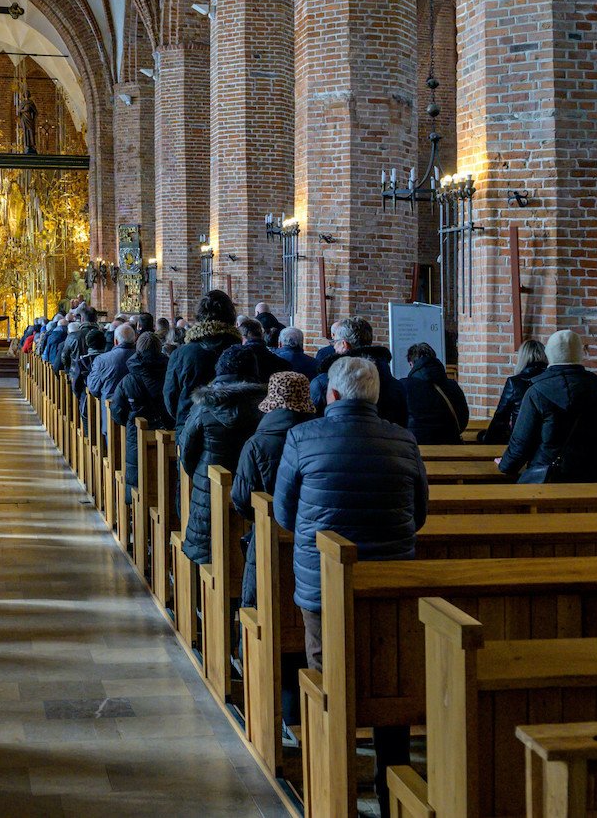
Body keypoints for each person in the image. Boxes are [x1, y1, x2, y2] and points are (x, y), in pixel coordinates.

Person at [273, 355, 426, 816]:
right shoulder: (403, 440)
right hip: (391, 582)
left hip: (322, 584)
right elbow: (419, 514)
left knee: (328, 671)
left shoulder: (303, 437)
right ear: (375, 397)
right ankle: (389, 784)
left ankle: (332, 780)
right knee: (390, 676)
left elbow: (284, 512)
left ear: (331, 395)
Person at [232, 371, 316, 610]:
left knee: (260, 601)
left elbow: (241, 496)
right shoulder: (318, 436)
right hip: (313, 536)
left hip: (268, 536)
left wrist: (258, 517)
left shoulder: (258, 443)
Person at [179, 346, 266, 566]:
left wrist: (201, 476)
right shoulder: (266, 407)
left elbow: (186, 449)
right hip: (254, 497)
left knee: (207, 550)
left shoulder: (204, 406)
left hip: (208, 490)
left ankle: (201, 599)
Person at [499, 330, 597, 483]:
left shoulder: (537, 392)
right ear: (580, 354)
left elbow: (521, 443)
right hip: (593, 476)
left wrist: (506, 466)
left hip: (548, 476)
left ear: (549, 354)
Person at [163, 290, 242, 432]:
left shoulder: (182, 353)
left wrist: (184, 418)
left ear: (199, 316)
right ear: (231, 317)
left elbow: (170, 396)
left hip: (191, 427)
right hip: (237, 431)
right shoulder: (242, 351)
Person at [310, 317, 408, 426]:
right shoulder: (396, 385)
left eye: (335, 342)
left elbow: (314, 424)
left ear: (344, 344)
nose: (334, 347)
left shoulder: (324, 382)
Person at [110, 332, 174, 499]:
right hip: (168, 433)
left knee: (137, 475)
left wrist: (132, 421)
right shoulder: (170, 375)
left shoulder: (129, 380)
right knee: (167, 480)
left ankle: (133, 513)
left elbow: (117, 411)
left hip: (136, 436)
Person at [479, 339, 548, 444]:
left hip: (522, 442)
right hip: (548, 441)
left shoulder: (515, 383)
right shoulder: (552, 380)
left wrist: (486, 440)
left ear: (522, 358)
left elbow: (501, 418)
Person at [401, 343, 470, 444]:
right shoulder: (453, 386)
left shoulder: (404, 386)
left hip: (416, 445)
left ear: (411, 364)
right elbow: (463, 420)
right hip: (450, 444)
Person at [87, 324, 138, 431]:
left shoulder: (102, 360)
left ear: (115, 341)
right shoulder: (142, 358)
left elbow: (94, 388)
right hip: (138, 415)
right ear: (135, 339)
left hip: (111, 414)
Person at [72, 328, 109, 421]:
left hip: (87, 402)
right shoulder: (109, 360)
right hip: (107, 404)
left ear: (88, 344)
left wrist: (79, 396)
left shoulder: (82, 361)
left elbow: (76, 384)